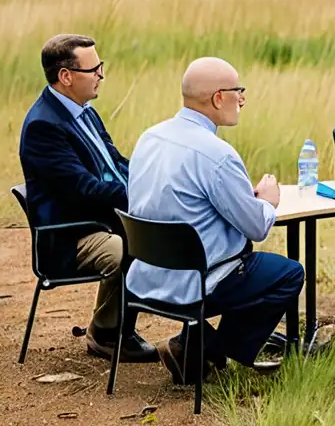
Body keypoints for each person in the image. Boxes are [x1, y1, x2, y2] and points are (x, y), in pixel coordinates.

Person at [126, 57, 304, 384]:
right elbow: (257, 228)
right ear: (219, 98)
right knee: (287, 273)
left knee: (244, 261)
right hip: (194, 281)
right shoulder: (217, 154)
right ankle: (205, 347)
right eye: (239, 91)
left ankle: (194, 345)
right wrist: (268, 201)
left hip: (146, 276)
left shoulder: (150, 137)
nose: (244, 99)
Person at [18, 34, 157, 363]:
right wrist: (137, 197)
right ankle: (107, 333)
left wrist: (152, 181)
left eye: (101, 66)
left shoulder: (84, 110)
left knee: (156, 229)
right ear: (66, 77)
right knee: (137, 243)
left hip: (97, 219)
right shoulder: (43, 126)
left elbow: (116, 163)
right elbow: (83, 191)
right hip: (70, 233)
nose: (101, 75)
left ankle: (116, 326)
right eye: (93, 68)